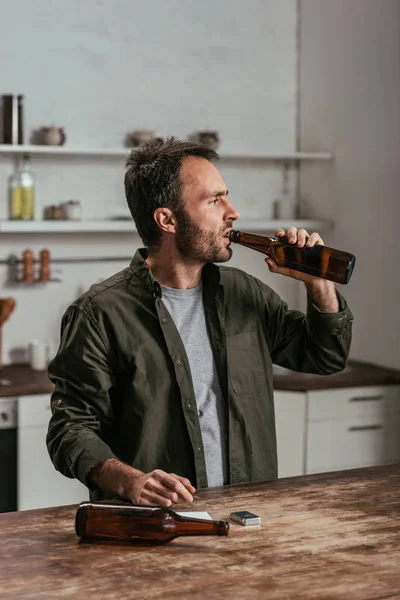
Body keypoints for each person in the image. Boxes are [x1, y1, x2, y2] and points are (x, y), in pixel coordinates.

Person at [46, 137, 353, 508]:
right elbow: (70, 429)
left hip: (247, 517)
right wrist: (131, 481)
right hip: (154, 526)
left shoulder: (245, 293)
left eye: (226, 196)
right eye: (214, 200)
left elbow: (325, 357)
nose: (233, 212)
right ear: (167, 219)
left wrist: (318, 284)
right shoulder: (99, 314)